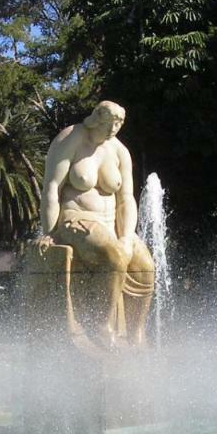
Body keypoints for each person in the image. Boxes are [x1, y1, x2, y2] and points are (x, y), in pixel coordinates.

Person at [36, 100, 155, 346]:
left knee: (145, 264)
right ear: (97, 118)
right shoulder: (71, 138)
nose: (113, 129)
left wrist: (127, 236)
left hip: (112, 224)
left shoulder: (120, 151)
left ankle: (135, 335)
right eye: (109, 123)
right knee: (114, 256)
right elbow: (52, 188)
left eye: (119, 124)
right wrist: (50, 231)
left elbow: (126, 200)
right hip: (76, 219)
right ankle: (101, 326)